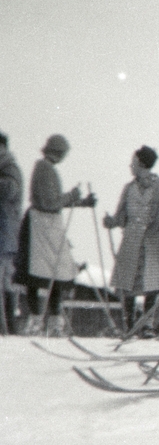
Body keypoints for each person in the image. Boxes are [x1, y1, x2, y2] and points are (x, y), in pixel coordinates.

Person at [16, 135, 95, 336]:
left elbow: (55, 202)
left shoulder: (47, 168)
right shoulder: (44, 168)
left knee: (56, 271)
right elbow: (50, 203)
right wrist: (72, 196)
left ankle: (52, 321)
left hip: (49, 225)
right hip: (40, 226)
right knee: (39, 273)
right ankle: (38, 321)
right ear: (58, 152)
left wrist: (82, 202)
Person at [105, 146, 159, 336]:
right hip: (131, 240)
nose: (131, 166)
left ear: (142, 164)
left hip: (153, 241)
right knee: (128, 284)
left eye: (134, 162)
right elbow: (121, 216)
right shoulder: (128, 188)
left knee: (151, 284)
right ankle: (130, 324)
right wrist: (111, 222)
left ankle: (146, 325)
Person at [0, 132, 24, 334]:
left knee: (5, 279)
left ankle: (7, 327)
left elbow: (10, 190)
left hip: (5, 234)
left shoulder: (9, 168)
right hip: (4, 233)